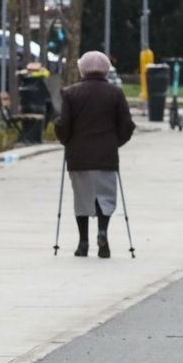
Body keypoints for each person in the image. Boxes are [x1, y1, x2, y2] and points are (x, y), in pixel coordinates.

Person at [54, 51, 135, 258]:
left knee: (81, 199)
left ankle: (83, 243)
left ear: (82, 68)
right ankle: (102, 233)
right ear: (106, 69)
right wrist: (115, 143)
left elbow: (63, 124)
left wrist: (65, 139)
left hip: (78, 156)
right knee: (105, 198)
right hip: (106, 156)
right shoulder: (115, 93)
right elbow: (127, 125)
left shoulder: (70, 93)